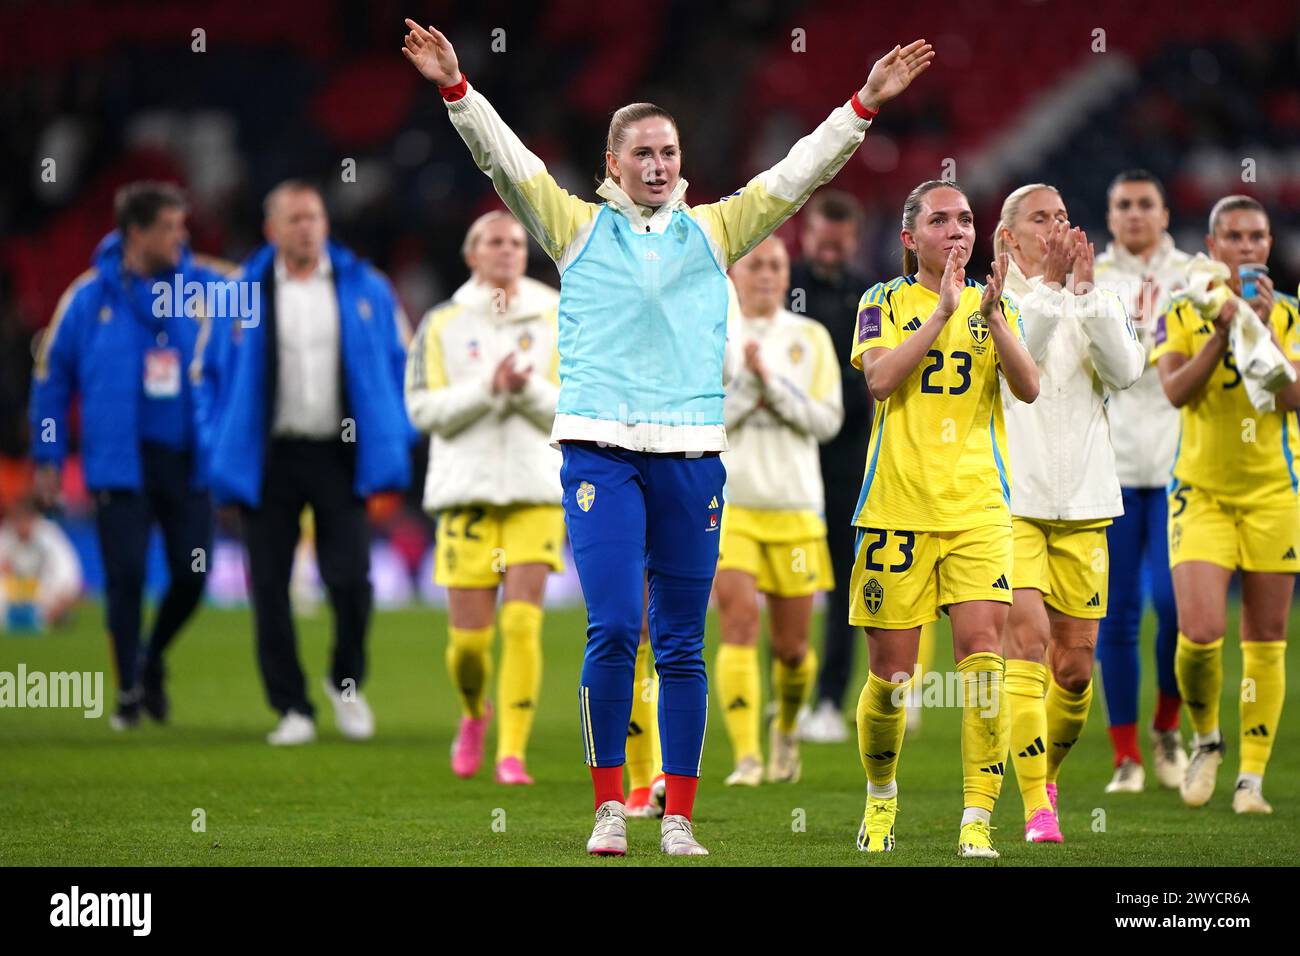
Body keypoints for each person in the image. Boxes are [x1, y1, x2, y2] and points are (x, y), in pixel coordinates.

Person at [402, 18, 933, 856]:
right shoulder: (573, 228)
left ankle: (679, 815)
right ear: (613, 163)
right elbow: (505, 161)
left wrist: (862, 104)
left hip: (691, 454)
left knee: (683, 642)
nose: (658, 167)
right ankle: (609, 806)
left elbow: (798, 176)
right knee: (614, 626)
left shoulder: (716, 231)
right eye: (643, 154)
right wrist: (456, 89)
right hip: (599, 454)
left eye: (670, 154)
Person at [849, 180, 1040, 859]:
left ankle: (978, 818)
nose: (958, 230)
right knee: (893, 679)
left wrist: (992, 316)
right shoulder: (882, 301)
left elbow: (1029, 386)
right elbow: (878, 381)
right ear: (911, 238)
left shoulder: (1000, 305)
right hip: (897, 508)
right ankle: (880, 798)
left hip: (978, 509)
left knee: (984, 662)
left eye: (965, 219)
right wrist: (941, 317)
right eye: (940, 220)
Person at [205, 180, 411, 746]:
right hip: (264, 456)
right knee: (268, 585)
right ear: (271, 229)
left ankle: (345, 684)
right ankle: (291, 707)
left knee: (352, 580)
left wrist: (394, 431)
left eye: (314, 216)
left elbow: (400, 365)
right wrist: (215, 442)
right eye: (294, 218)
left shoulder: (365, 286)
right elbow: (208, 376)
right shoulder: (238, 291)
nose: (306, 227)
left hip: (338, 452)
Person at [29, 182, 224, 727]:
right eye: (170, 227)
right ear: (135, 233)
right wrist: (47, 451)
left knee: (192, 576)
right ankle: (128, 691)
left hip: (188, 458)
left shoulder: (207, 286)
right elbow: (51, 378)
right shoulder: (87, 298)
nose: (181, 237)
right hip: (120, 461)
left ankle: (152, 654)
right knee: (126, 577)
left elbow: (261, 308)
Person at [993, 185, 1144, 843]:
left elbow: (1127, 371)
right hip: (1012, 503)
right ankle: (1036, 808)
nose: (1055, 226)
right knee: (1025, 645)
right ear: (1007, 239)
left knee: (1076, 669)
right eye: (1038, 217)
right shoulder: (988, 302)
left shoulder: (1100, 300)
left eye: (1061, 216)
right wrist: (1051, 293)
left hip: (1084, 502)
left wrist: (1081, 296)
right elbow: (1015, 374)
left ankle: (1044, 772)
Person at [1152, 195, 1300, 814]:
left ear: (1269, 244)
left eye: (1257, 237)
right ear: (1212, 247)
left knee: (1266, 638)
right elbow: (1177, 392)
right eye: (1234, 237)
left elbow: (1292, 399)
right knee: (1202, 631)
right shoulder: (1182, 309)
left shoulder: (1290, 315)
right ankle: (1207, 738)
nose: (1247, 248)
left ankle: (1252, 780)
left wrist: (1260, 328)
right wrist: (1222, 333)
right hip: (1202, 492)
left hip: (1274, 494)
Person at [405, 210, 563, 785]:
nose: (506, 250)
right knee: (468, 648)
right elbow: (422, 411)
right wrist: (487, 390)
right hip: (466, 494)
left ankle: (512, 752)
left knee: (522, 625)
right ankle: (474, 713)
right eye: (494, 242)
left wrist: (524, 392)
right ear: (472, 255)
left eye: (516, 242)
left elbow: (574, 406)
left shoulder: (555, 315)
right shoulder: (442, 323)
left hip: (534, 491)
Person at [716, 236, 842, 786]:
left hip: (794, 507)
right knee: (739, 624)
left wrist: (771, 385)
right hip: (734, 504)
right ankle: (746, 755)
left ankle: (786, 727)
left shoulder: (809, 338)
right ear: (734, 275)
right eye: (755, 265)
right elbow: (709, 420)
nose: (765, 275)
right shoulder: (716, 336)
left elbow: (827, 421)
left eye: (775, 265)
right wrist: (750, 388)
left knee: (792, 649)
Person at [1093, 171, 1193, 792]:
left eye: (1145, 204)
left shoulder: (1195, 275)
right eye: (1123, 204)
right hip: (1113, 464)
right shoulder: (1093, 279)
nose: (1134, 214)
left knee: (1178, 610)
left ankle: (1167, 727)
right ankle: (1126, 755)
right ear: (1110, 217)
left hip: (1183, 460)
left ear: (1164, 212)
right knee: (1117, 614)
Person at [786, 191, 870, 744]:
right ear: (807, 234)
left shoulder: (869, 296)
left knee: (845, 581)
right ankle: (785, 695)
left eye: (839, 242)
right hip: (789, 454)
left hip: (846, 457)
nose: (830, 249)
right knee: (782, 581)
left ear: (853, 241)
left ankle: (830, 701)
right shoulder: (780, 285)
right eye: (822, 238)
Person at [0, 495, 82, 632]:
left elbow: (68, 570)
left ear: (33, 518)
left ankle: (48, 616)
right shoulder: (5, 534)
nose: (20, 523)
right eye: (17, 518)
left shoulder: (49, 534)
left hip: (42, 592)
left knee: (54, 593)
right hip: (12, 595)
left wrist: (62, 599)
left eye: (24, 518)